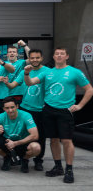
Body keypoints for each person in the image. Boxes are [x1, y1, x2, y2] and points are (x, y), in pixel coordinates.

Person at [24, 47, 93, 183]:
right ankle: (58, 167)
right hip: (49, 110)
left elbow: (89, 89)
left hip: (65, 111)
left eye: (62, 54)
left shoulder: (74, 72)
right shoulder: (48, 73)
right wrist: (27, 74)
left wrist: (80, 106)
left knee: (66, 141)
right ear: (54, 57)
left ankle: (69, 169)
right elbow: (30, 83)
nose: (59, 56)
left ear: (67, 56)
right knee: (54, 140)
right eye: (57, 54)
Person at [7, 49, 49, 171]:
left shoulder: (48, 71)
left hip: (41, 110)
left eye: (37, 58)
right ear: (29, 59)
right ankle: (24, 159)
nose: (35, 60)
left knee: (40, 136)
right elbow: (12, 85)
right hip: (25, 108)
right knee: (24, 135)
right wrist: (6, 83)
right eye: (32, 58)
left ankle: (38, 160)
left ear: (41, 58)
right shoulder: (24, 71)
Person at [0, 97, 41, 173]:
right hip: (7, 142)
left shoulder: (26, 115)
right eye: (7, 108)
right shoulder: (1, 116)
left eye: (12, 107)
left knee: (36, 147)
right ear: (3, 108)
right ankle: (7, 157)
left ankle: (25, 159)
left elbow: (35, 135)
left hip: (22, 142)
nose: (10, 110)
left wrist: (15, 143)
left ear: (17, 106)